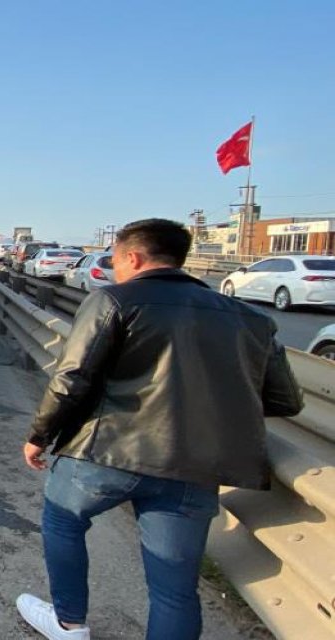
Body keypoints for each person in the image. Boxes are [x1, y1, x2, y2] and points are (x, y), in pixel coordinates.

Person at [16, 219, 305, 640]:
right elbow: (286, 401)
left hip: (107, 452)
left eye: (115, 261)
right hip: (194, 467)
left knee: (63, 520)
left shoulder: (113, 300)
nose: (114, 270)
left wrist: (39, 435)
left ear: (133, 257)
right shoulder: (251, 318)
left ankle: (70, 623)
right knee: (174, 590)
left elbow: (72, 378)